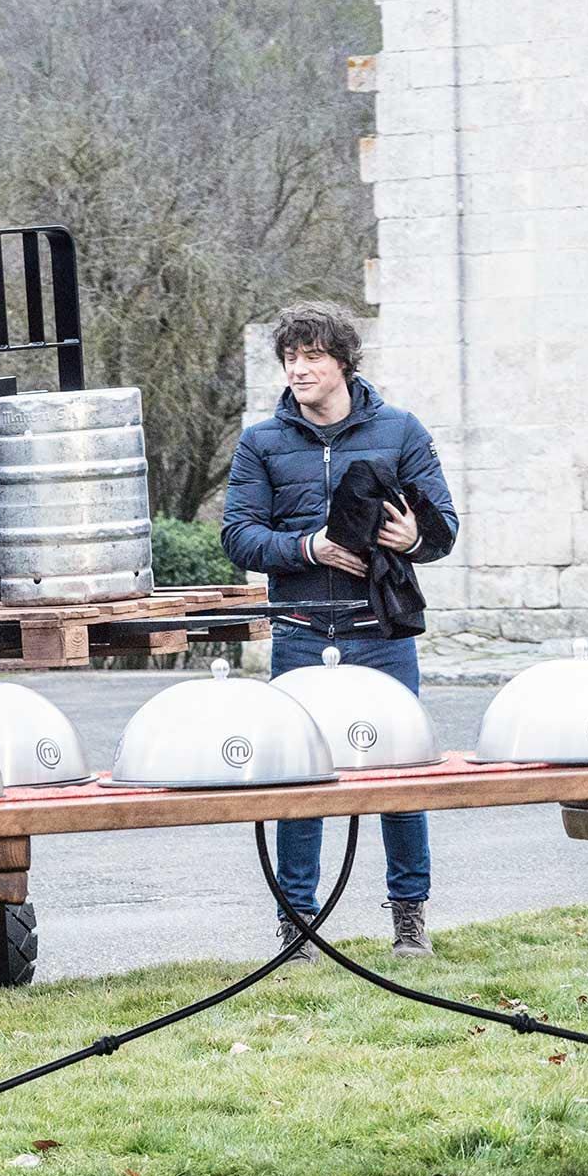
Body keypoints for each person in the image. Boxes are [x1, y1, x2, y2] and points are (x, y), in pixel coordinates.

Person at [222, 301, 459, 962]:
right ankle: (295, 928)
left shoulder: (400, 429)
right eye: (291, 358)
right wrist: (309, 550)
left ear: (343, 362)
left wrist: (416, 536)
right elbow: (238, 535)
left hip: (381, 634)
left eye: (313, 356)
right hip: (300, 634)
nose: (299, 369)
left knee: (401, 778)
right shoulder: (261, 442)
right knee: (299, 783)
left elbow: (444, 528)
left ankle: (409, 920)